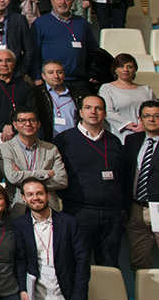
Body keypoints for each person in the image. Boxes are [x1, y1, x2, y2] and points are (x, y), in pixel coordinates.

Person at [53, 94, 128, 266]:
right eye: (88, 108)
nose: (93, 112)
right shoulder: (64, 140)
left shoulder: (114, 141)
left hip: (112, 214)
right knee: (78, 264)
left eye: (98, 108)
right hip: (79, 212)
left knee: (109, 266)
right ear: (80, 112)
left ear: (104, 114)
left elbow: (123, 176)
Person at [12, 179, 90, 300]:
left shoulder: (69, 223)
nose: (35, 198)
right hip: (35, 294)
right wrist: (23, 289)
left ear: (47, 195)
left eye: (39, 193)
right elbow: (20, 261)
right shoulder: (19, 225)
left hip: (66, 292)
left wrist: (79, 294)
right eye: (30, 194)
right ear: (24, 198)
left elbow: (82, 260)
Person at [0, 110, 67, 216]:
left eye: (32, 120)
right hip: (18, 206)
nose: (28, 124)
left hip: (48, 207)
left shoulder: (51, 149)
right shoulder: (5, 148)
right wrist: (44, 173)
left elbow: (62, 181)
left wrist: (22, 175)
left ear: (38, 124)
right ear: (15, 125)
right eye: (22, 120)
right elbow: (12, 177)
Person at [30, 0, 97, 88]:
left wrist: (92, 73)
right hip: (51, 81)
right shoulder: (40, 23)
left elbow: (92, 50)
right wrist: (36, 77)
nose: (63, 2)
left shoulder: (82, 23)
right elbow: (34, 52)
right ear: (52, 1)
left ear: (72, 1)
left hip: (79, 80)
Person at [125, 100, 159, 272]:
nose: (151, 119)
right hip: (136, 209)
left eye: (157, 116)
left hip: (158, 206)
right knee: (139, 262)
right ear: (140, 119)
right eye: (147, 116)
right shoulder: (132, 140)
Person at [99, 53, 155, 141]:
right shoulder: (107, 88)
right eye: (121, 66)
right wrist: (128, 124)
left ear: (135, 69)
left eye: (129, 67)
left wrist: (145, 124)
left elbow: (155, 110)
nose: (125, 69)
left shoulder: (146, 89)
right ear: (115, 69)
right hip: (121, 136)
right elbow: (107, 112)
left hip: (147, 133)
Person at [33, 60, 87, 141]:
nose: (56, 76)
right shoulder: (37, 94)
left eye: (59, 72)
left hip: (74, 140)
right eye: (51, 73)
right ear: (43, 76)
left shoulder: (77, 93)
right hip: (48, 141)